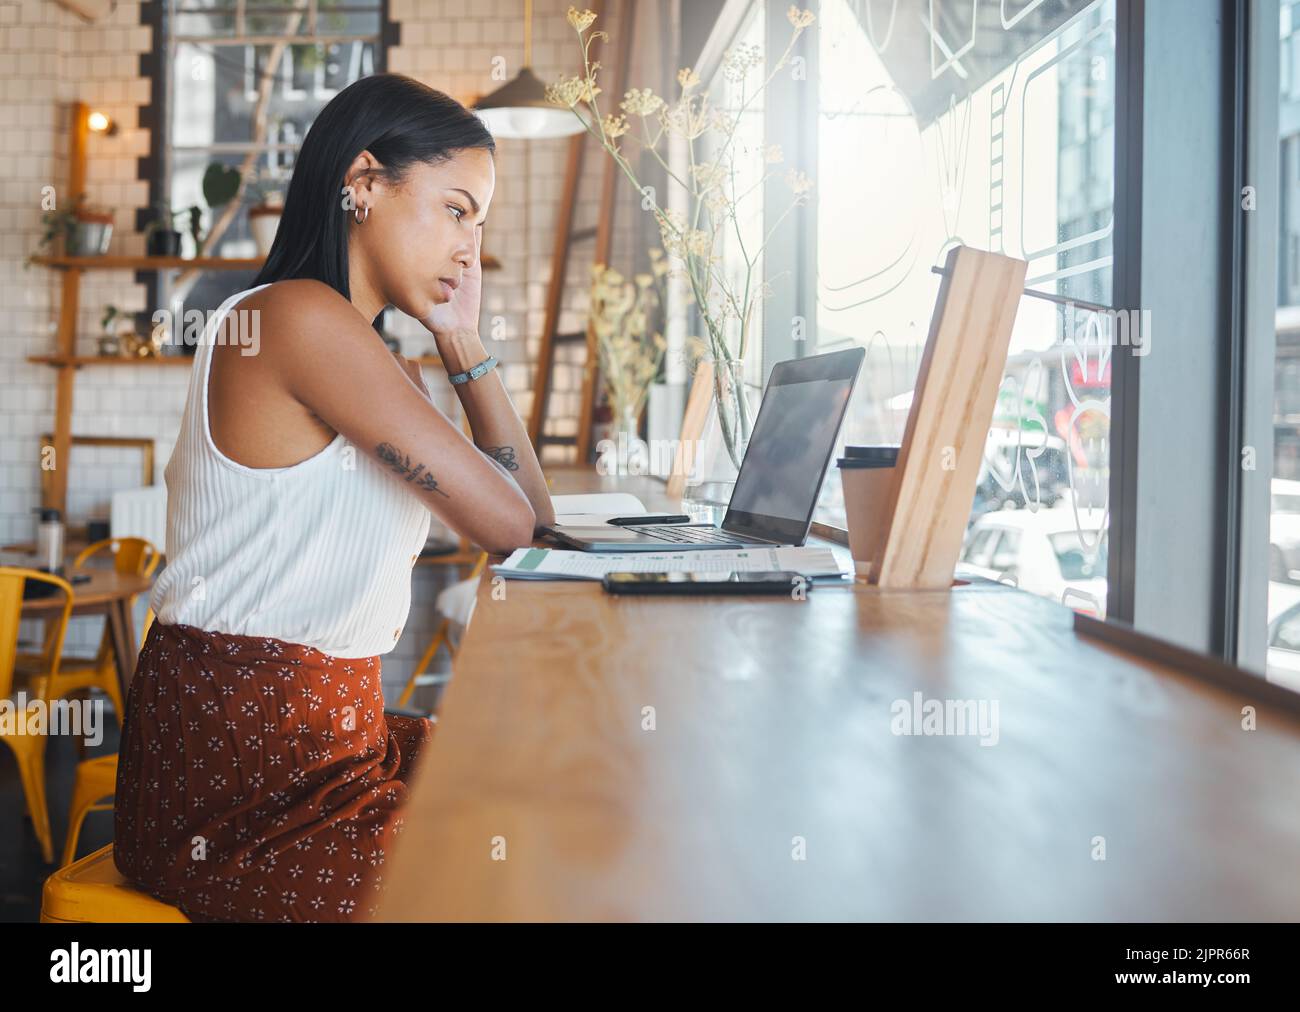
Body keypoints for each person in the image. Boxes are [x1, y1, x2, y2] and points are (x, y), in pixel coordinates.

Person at [113, 73, 553, 922]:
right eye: (456, 209)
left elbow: (528, 521)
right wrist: (457, 338)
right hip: (244, 782)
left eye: (482, 222)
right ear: (362, 184)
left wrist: (460, 341)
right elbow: (512, 524)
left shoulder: (378, 361)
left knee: (544, 798)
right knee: (512, 872)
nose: (471, 246)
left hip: (331, 745)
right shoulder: (294, 319)